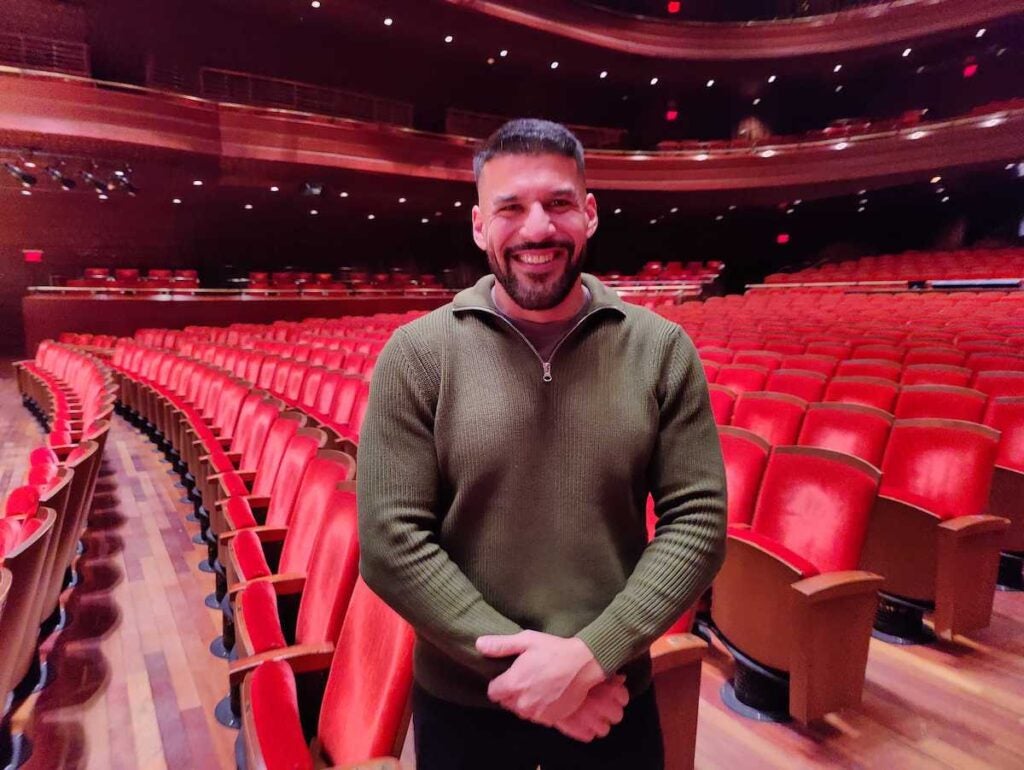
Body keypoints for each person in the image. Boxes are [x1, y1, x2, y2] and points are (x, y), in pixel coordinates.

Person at [358, 118, 727, 770]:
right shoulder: (416, 356)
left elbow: (697, 523)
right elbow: (391, 545)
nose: (537, 229)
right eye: (510, 208)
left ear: (588, 215)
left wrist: (588, 658)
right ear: (478, 225)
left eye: (558, 204)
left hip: (613, 696)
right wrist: (532, 679)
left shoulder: (662, 350)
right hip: (464, 714)